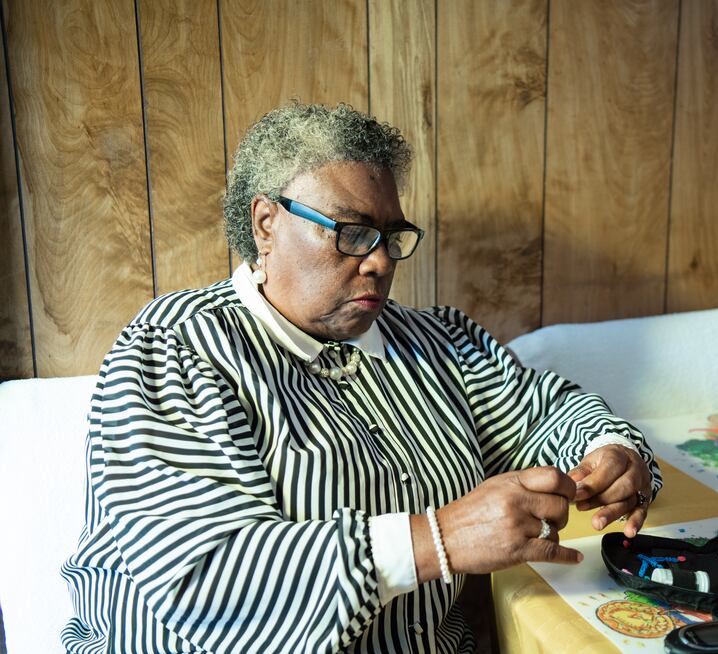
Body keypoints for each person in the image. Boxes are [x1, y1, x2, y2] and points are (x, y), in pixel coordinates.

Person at [62, 102, 662, 653]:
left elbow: (546, 413)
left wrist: (611, 451)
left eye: (389, 237)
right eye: (350, 232)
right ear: (267, 224)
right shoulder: (180, 347)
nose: (378, 260)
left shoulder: (435, 341)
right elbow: (204, 585)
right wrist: (438, 539)